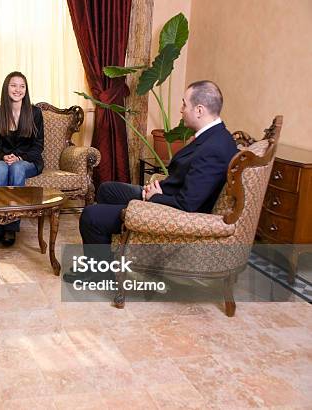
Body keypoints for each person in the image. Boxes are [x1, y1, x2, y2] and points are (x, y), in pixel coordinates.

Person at [66, 80, 238, 282]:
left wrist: (155, 197)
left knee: (91, 215)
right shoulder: (213, 137)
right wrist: (158, 190)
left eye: (184, 104)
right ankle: (108, 256)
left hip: (173, 211)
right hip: (167, 193)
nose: (181, 110)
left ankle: (99, 274)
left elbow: (188, 204)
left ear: (199, 110)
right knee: (106, 190)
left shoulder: (214, 149)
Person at [0, 71, 45, 247]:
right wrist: (3, 156)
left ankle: (11, 227)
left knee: (17, 168)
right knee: (0, 168)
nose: (18, 89)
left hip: (29, 161)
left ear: (26, 90)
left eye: (22, 86)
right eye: (13, 85)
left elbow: (38, 147)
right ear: (6, 88)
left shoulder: (35, 113)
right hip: (3, 159)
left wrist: (19, 157)